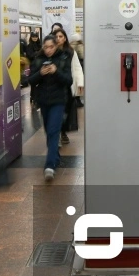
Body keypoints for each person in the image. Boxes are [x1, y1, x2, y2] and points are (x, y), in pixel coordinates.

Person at [28, 36, 71, 181]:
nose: (48, 50)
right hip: (44, 101)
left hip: (58, 101)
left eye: (51, 47)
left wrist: (56, 71)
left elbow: (68, 80)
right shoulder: (38, 59)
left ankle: (50, 166)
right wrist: (40, 73)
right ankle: (56, 157)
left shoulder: (63, 58)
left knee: (54, 131)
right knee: (48, 131)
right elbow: (30, 80)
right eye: (46, 47)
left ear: (56, 46)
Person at [53, 31, 84, 145]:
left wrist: (80, 82)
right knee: (56, 111)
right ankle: (57, 134)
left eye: (61, 36)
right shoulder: (50, 50)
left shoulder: (71, 52)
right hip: (55, 87)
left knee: (66, 111)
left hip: (67, 86)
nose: (58, 38)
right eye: (56, 36)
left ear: (65, 38)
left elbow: (77, 67)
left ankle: (63, 132)